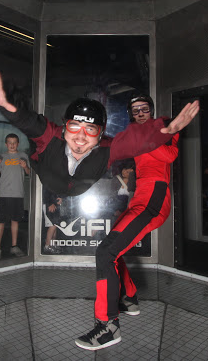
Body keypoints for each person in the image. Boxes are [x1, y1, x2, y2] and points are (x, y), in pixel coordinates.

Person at [0, 64, 199, 198]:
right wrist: (6, 104)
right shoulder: (52, 136)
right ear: (64, 127)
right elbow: (28, 121)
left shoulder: (106, 148)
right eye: (74, 127)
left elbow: (135, 141)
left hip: (79, 187)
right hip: (48, 174)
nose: (80, 137)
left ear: (100, 134)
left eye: (90, 130)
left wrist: (165, 130)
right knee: (36, 136)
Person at [74, 94, 181, 350]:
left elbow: (169, 156)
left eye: (145, 109)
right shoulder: (135, 133)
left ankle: (108, 326)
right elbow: (115, 147)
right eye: (135, 110)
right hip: (139, 198)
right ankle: (129, 297)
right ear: (131, 114)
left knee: (105, 252)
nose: (141, 112)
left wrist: (144, 139)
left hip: (154, 199)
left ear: (151, 111)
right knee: (112, 248)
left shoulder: (163, 127)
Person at [0, 133, 30, 260]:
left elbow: (28, 172)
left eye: (14, 142)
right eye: (9, 142)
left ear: (18, 144)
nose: (12, 145)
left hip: (18, 194)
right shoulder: (1, 156)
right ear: (6, 144)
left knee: (15, 220)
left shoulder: (23, 156)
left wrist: (25, 167)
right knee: (1, 221)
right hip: (4, 194)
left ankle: (14, 246)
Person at [42, 187, 62, 254]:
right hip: (49, 204)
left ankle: (52, 244)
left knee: (55, 225)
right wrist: (50, 203)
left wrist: (60, 198)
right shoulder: (49, 178)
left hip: (54, 203)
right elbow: (45, 191)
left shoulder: (55, 178)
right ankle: (47, 246)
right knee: (52, 225)